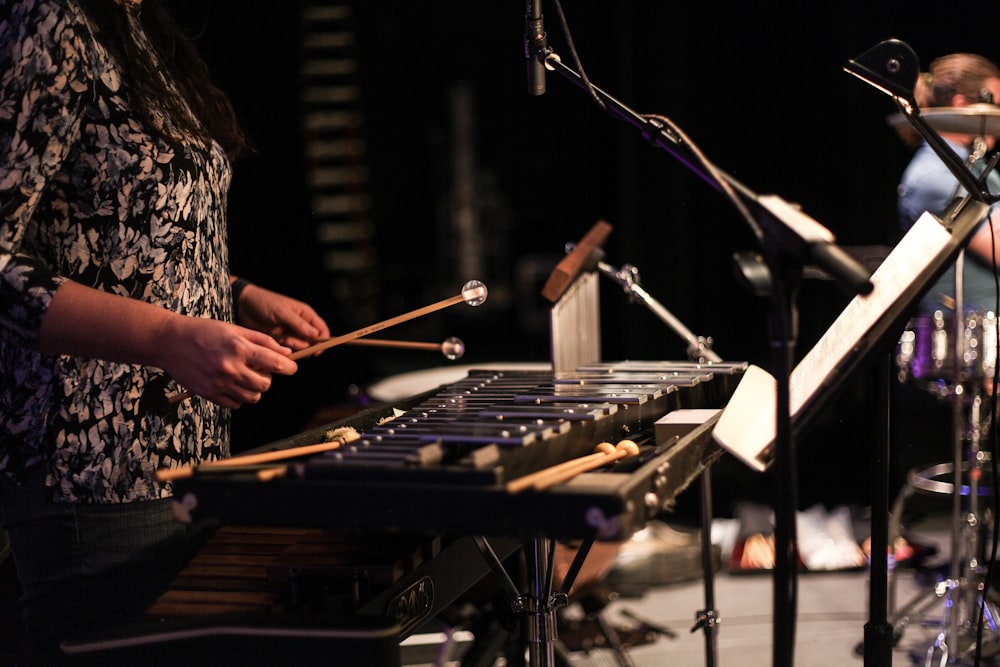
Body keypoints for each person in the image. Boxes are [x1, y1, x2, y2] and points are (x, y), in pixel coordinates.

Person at [0, 0, 331, 661]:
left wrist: (232, 293)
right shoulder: (51, 20)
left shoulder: (138, 28)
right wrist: (167, 336)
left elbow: (121, 232)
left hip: (187, 456)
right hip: (94, 467)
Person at [898, 53, 1000, 316]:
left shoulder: (974, 164)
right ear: (961, 104)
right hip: (964, 338)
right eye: (994, 104)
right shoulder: (934, 175)